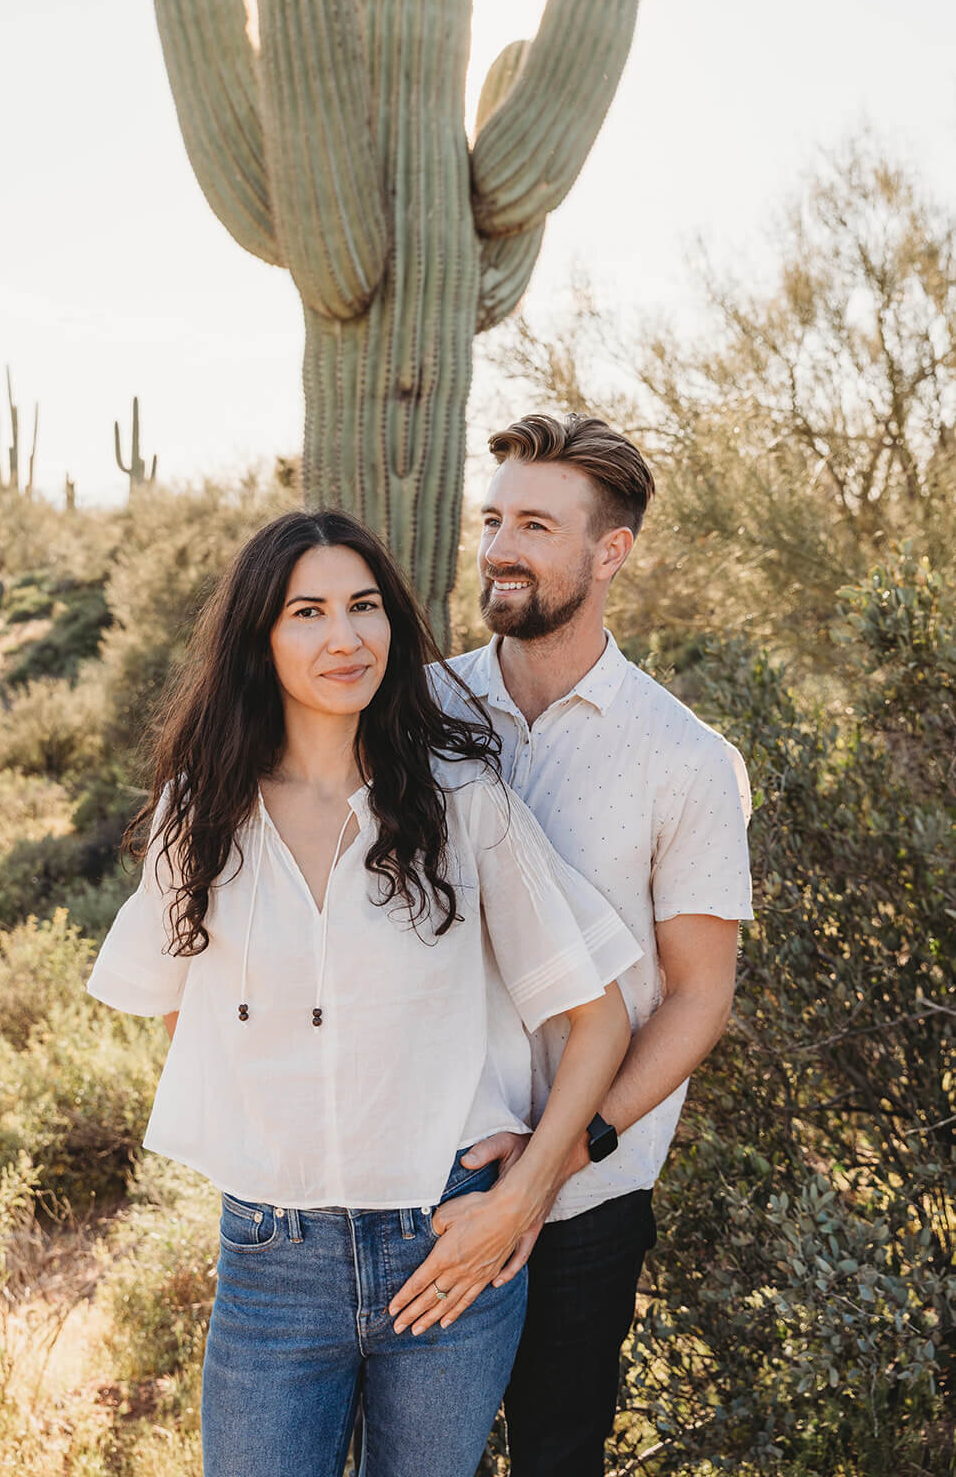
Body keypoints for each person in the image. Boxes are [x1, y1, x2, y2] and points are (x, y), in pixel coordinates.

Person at [86, 509, 642, 1477]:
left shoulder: (461, 798)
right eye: (307, 611)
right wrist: (271, 1117)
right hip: (271, 1261)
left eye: (364, 606)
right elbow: (183, 1004)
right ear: (259, 637)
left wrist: (519, 1195)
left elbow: (595, 1017)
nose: (344, 637)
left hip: (446, 1242)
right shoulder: (200, 813)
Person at [433, 413, 755, 1476]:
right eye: (492, 521)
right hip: (413, 1172)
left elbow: (696, 1000)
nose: (498, 551)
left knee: (555, 1454)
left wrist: (552, 1164)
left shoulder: (684, 760)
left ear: (608, 551)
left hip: (585, 1202)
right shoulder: (415, 711)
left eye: (532, 524)